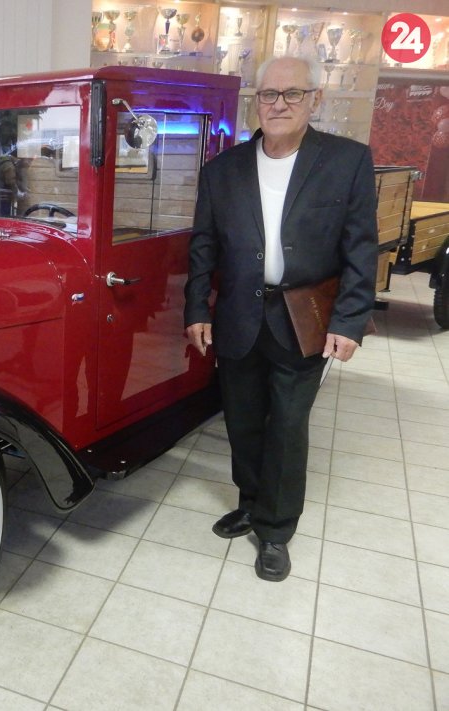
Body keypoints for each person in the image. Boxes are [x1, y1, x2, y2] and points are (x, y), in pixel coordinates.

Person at [184, 56, 377, 582]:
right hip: (239, 315)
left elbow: (362, 248)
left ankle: (275, 530)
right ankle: (251, 502)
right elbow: (203, 247)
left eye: (293, 93)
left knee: (288, 426)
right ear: (256, 102)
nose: (279, 104)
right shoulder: (223, 169)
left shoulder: (346, 161)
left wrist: (349, 321)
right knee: (243, 421)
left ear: (315, 99)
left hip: (304, 317)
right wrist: (197, 308)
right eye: (268, 94)